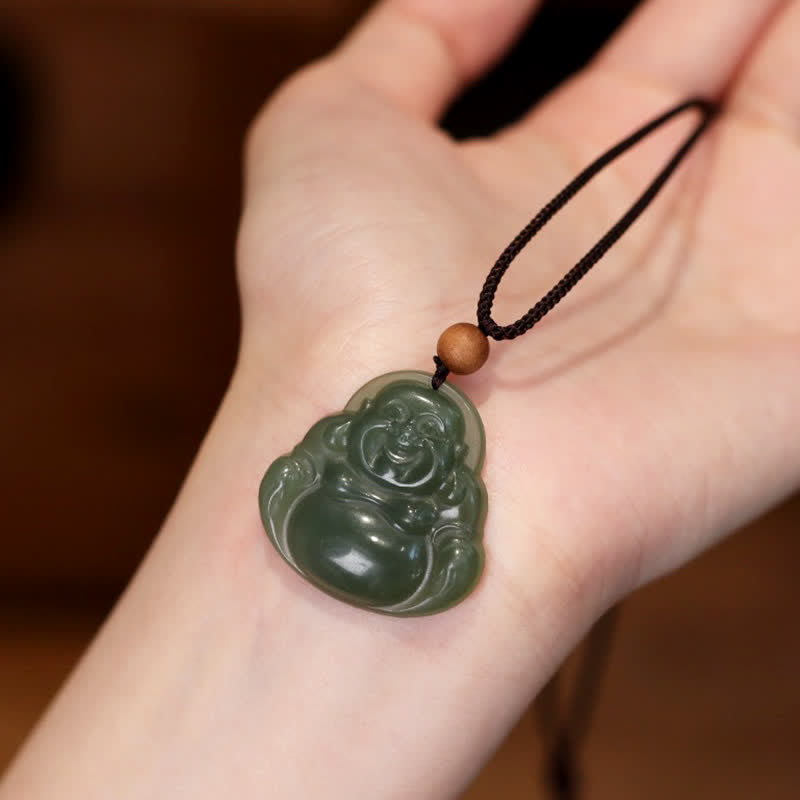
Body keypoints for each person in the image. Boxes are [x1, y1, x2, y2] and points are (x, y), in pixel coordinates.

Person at [2, 0, 798, 797]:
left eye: (423, 445)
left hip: (402, 557)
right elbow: (297, 470)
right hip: (326, 524)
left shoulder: (450, 492)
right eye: (392, 433)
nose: (405, 445)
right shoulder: (340, 448)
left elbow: (456, 542)